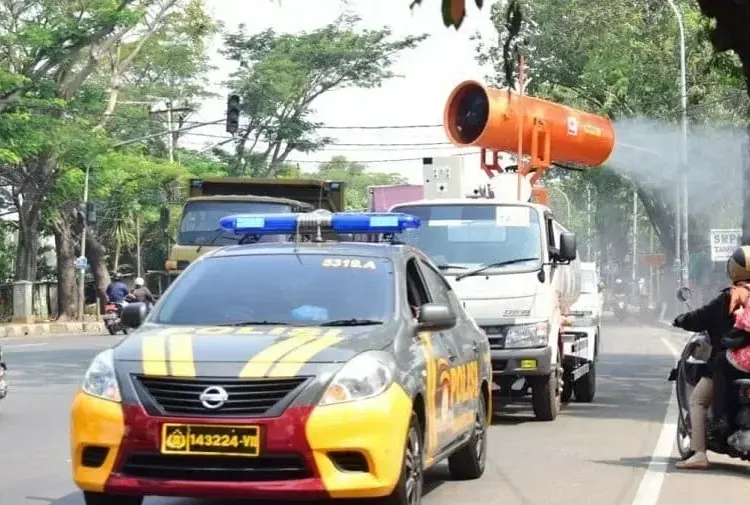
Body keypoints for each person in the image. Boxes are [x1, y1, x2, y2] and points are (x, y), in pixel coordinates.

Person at [671, 245, 750, 469]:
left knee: (698, 400)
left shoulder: (731, 296)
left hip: (733, 362)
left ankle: (699, 453)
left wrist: (681, 319)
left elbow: (701, 317)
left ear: (734, 269)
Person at [704, 246, 750, 445]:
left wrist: (726, 341)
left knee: (721, 361)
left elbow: (741, 329)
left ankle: (720, 420)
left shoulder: (735, 293)